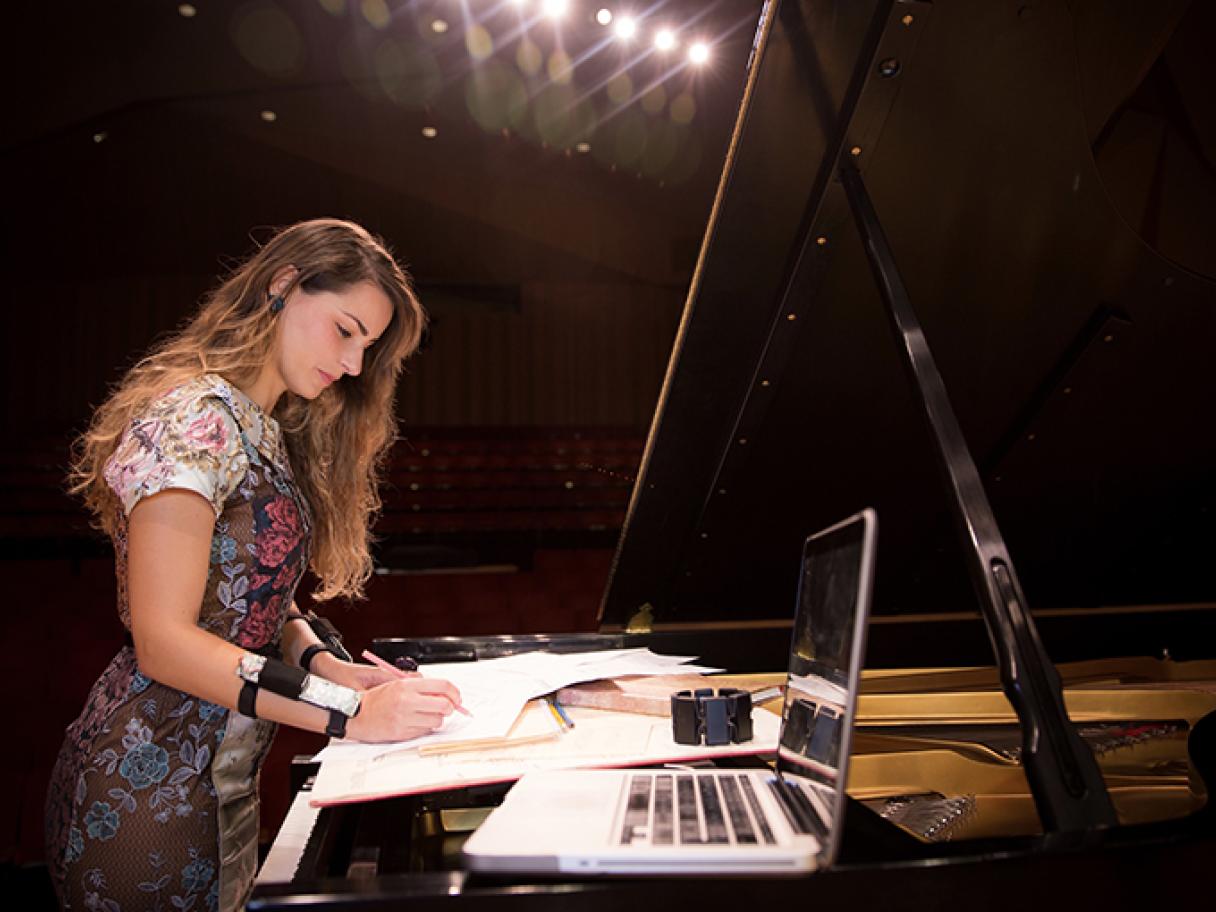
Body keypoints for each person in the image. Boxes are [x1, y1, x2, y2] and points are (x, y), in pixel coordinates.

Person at [44, 218, 461, 911]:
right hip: (147, 784)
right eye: (345, 330)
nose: (354, 365)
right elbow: (164, 641)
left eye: (369, 346)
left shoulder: (261, 425)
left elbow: (262, 603)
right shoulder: (193, 416)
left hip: (221, 779)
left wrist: (327, 666)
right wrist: (348, 710)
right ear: (283, 285)